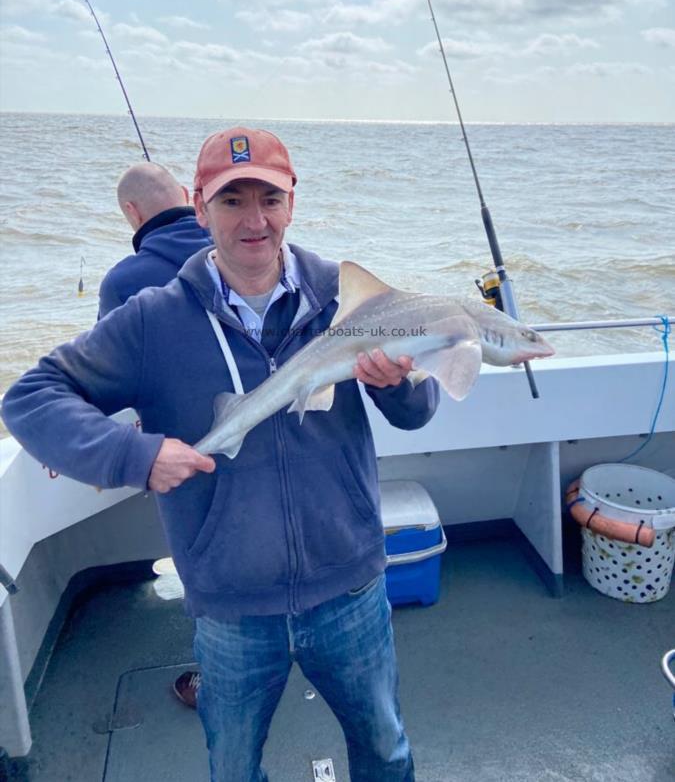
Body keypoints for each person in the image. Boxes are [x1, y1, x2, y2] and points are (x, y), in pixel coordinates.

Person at [3, 126, 439, 782]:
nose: (253, 219)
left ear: (293, 201)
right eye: (231, 200)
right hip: (230, 601)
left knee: (385, 749)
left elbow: (418, 410)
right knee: (232, 768)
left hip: (348, 585)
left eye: (268, 197)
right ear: (198, 205)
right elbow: (31, 397)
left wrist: (399, 381)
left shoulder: (347, 301)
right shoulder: (154, 319)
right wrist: (132, 455)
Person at [99, 160, 212, 707]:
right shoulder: (239, 252)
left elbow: (107, 385)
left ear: (131, 213)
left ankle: (215, 676)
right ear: (191, 197)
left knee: (204, 567)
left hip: (183, 457)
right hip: (258, 430)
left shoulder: (124, 280)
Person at [98, 161, 212, 317]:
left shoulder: (120, 283)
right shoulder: (235, 252)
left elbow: (105, 341)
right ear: (185, 195)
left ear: (132, 211)